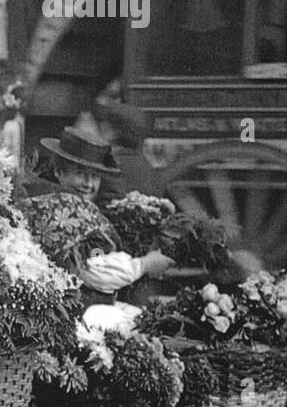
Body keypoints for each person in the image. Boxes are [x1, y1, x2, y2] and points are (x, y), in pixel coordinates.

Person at [19, 126, 173, 303]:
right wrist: (144, 265)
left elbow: (95, 253)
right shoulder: (65, 207)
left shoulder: (45, 197)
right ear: (58, 171)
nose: (88, 184)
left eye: (95, 176)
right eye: (80, 174)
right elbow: (93, 269)